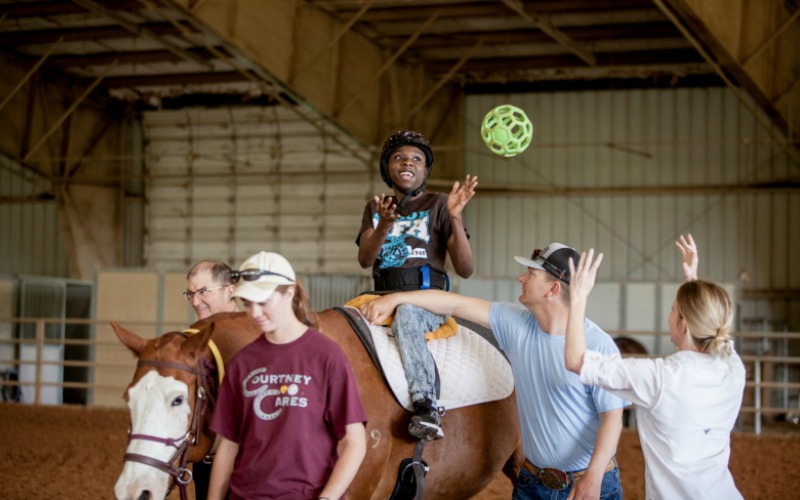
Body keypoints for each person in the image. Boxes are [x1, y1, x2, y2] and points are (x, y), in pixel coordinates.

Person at [360, 242, 627, 500]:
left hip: (589, 485)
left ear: (553, 288)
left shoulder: (598, 345)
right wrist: (396, 298)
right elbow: (454, 304)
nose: (522, 278)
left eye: (531, 274)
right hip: (532, 483)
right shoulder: (516, 323)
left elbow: (612, 417)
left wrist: (593, 477)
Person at [564, 234, 745, 499]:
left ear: (683, 325)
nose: (669, 315)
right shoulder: (733, 367)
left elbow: (576, 360)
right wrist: (692, 279)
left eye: (673, 310)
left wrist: (578, 297)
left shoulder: (659, 377)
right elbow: (710, 324)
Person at [208, 251, 367, 500]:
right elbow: (228, 446)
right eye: (249, 304)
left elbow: (354, 441)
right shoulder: (242, 362)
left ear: (289, 293)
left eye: (264, 302)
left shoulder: (326, 356)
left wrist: (327, 498)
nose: (255, 312)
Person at [355, 129, 478, 441]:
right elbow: (366, 260)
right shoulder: (376, 207)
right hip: (379, 295)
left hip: (426, 299)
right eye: (398, 157)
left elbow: (465, 269)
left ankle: (426, 404)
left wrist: (455, 218)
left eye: (416, 159)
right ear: (388, 169)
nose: (406, 162)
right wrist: (384, 223)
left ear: (425, 169)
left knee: (408, 312)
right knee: (340, 324)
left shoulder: (440, 204)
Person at [183, 259, 238, 499]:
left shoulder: (255, 332)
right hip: (206, 461)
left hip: (248, 464)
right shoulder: (194, 339)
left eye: (203, 292)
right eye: (190, 293)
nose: (195, 301)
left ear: (230, 290)